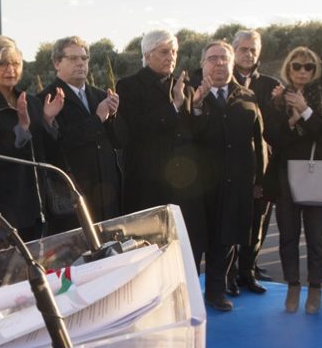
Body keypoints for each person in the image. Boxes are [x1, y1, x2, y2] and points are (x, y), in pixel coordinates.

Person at [262, 48, 322, 313]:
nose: (302, 71)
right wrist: (291, 120)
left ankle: (316, 288)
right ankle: (293, 286)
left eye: (308, 67)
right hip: (286, 178)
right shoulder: (276, 100)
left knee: (317, 236)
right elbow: (272, 137)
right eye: (297, 66)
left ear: (315, 69)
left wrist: (305, 111)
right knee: (288, 235)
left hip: (317, 174)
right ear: (289, 68)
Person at [116, 29, 205, 263]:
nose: (171, 57)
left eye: (174, 52)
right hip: (147, 185)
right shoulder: (128, 86)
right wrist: (173, 107)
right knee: (149, 251)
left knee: (181, 250)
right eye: (164, 52)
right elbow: (134, 129)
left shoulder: (184, 86)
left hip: (180, 184)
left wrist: (196, 109)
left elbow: (190, 134)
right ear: (147, 54)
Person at [191, 41, 264, 312]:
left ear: (232, 63)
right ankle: (187, 296)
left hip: (236, 183)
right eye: (213, 58)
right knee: (197, 242)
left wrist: (260, 181)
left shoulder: (247, 96)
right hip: (199, 185)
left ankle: (216, 292)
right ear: (203, 64)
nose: (219, 63)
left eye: (224, 58)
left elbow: (258, 140)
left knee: (226, 240)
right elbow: (186, 134)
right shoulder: (191, 94)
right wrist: (197, 105)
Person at [0, 35, 64, 256]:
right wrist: (22, 129)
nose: (10, 69)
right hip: (4, 213)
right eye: (3, 63)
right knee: (7, 283)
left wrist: (48, 121)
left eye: (15, 63)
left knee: (40, 279)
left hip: (39, 208)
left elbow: (48, 152)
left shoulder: (32, 102)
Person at [40, 36, 124, 234]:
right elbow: (60, 143)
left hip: (108, 196)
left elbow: (120, 141)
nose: (81, 63)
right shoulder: (46, 99)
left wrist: (113, 116)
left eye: (84, 58)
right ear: (57, 63)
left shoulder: (101, 95)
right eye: (73, 58)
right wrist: (97, 118)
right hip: (73, 199)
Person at [230, 29, 279, 292]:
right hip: (230, 168)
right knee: (229, 222)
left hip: (262, 167)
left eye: (253, 50)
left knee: (258, 220)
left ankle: (248, 271)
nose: (248, 54)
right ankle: (229, 273)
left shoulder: (271, 85)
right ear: (233, 50)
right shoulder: (221, 80)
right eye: (243, 49)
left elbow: (276, 127)